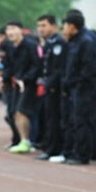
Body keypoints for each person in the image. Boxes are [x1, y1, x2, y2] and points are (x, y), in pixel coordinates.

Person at [60, 11, 96, 165]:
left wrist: (75, 82)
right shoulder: (77, 39)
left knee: (81, 120)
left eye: (64, 26)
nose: (63, 29)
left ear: (72, 26)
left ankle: (81, 154)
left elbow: (88, 67)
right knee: (84, 120)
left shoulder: (85, 41)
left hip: (85, 87)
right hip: (79, 86)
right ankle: (89, 152)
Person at [5, 20, 41, 154]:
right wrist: (3, 79)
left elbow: (37, 65)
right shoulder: (11, 46)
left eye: (13, 28)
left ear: (21, 30)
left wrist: (25, 80)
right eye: (8, 29)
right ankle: (21, 140)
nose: (10, 32)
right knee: (14, 112)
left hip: (28, 85)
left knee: (21, 111)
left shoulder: (30, 45)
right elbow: (9, 66)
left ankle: (26, 141)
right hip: (16, 84)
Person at [34, 14, 66, 160]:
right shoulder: (48, 43)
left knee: (54, 119)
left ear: (54, 26)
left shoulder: (58, 42)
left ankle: (54, 149)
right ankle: (49, 146)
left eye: (44, 25)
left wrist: (49, 83)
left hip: (57, 88)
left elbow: (58, 69)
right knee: (48, 118)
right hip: (49, 86)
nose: (41, 29)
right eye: (39, 26)